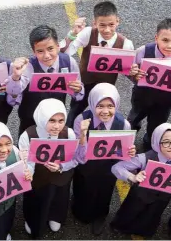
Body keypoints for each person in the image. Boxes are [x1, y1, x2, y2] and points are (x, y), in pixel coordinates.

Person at [110, 123, 171, 237]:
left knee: (151, 216)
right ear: (157, 143)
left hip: (162, 200)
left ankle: (143, 231)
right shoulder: (145, 158)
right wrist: (132, 177)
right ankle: (119, 227)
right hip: (139, 197)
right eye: (166, 142)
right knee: (130, 212)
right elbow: (117, 167)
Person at [71, 83, 136, 235]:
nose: (105, 111)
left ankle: (99, 215)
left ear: (117, 105)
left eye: (110, 106)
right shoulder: (81, 120)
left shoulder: (123, 124)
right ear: (93, 102)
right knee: (83, 189)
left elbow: (124, 153)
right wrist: (82, 136)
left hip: (108, 169)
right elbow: (78, 157)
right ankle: (80, 211)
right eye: (100, 106)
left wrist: (130, 152)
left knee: (104, 192)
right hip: (85, 166)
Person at [18, 98, 88, 238]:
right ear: (42, 118)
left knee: (59, 197)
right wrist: (28, 173)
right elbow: (27, 162)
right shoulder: (27, 135)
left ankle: (55, 216)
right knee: (35, 199)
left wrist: (62, 166)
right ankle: (32, 220)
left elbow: (76, 158)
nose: (57, 126)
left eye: (61, 121)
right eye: (52, 120)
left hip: (61, 175)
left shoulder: (68, 133)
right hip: (38, 178)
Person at [60, 1, 134, 127]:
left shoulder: (126, 44)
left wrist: (133, 71)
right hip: (84, 84)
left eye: (111, 24)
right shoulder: (88, 33)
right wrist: (73, 34)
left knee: (104, 117)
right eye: (102, 25)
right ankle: (69, 138)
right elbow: (66, 53)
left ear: (117, 21)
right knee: (74, 112)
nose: (107, 30)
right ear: (95, 23)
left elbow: (129, 71)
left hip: (105, 88)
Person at [127, 18, 171, 151]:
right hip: (142, 96)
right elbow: (129, 69)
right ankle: (129, 138)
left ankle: (148, 147)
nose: (170, 46)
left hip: (165, 101)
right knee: (133, 118)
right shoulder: (143, 51)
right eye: (165, 40)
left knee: (156, 127)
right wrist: (134, 75)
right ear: (156, 38)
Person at [15, 25, 84, 136]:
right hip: (30, 119)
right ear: (34, 52)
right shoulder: (27, 67)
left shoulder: (69, 63)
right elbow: (14, 99)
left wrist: (78, 89)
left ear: (58, 46)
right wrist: (15, 79)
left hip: (55, 120)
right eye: (40, 51)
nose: (47, 55)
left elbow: (79, 95)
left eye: (50, 49)